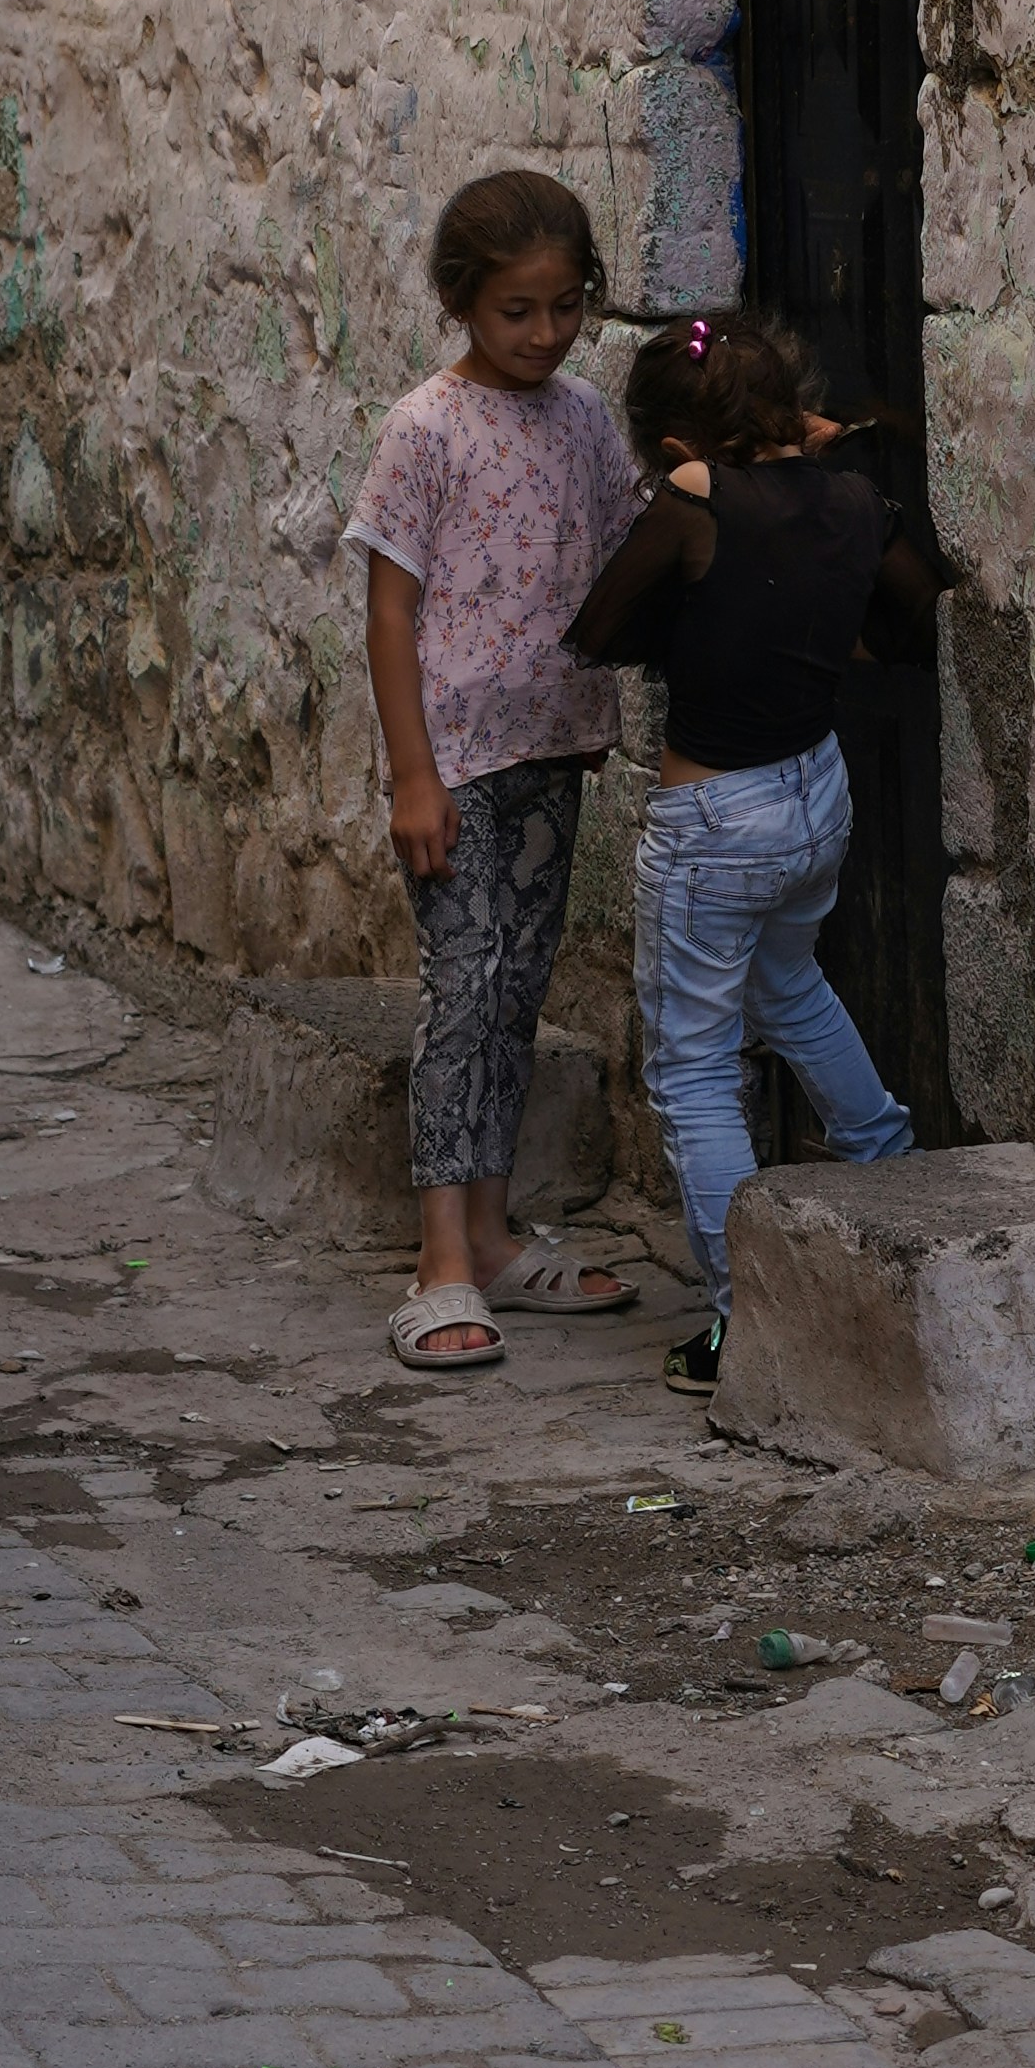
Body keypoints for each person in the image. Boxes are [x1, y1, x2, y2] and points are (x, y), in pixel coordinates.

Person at [569, 305, 944, 1396]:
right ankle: (890, 1171)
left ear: (678, 448)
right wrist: (815, 469)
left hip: (713, 821)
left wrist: (687, 500)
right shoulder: (855, 502)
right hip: (813, 797)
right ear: (796, 408)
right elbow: (913, 611)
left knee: (691, 1067)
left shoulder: (693, 502)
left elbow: (600, 629)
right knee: (787, 984)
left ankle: (748, 1324)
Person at [344, 168, 645, 1372]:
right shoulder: (425, 428)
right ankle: (439, 1262)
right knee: (462, 991)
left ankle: (496, 1232)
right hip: (458, 759)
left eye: (566, 307)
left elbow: (625, 546)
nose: (544, 334)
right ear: (463, 302)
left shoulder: (582, 419)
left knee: (518, 987)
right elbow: (387, 610)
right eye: (517, 311)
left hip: (553, 742)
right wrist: (412, 775)